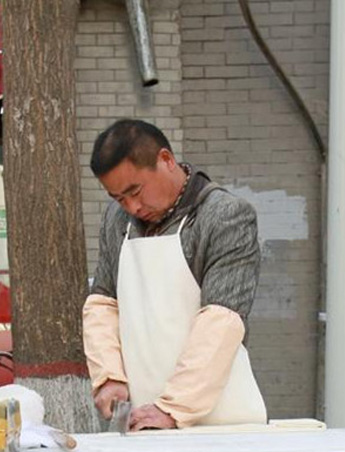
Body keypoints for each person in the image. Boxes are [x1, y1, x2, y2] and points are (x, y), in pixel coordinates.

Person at [83, 119, 267, 431]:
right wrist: (109, 376)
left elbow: (222, 322)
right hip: (145, 418)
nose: (132, 207)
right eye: (119, 198)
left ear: (166, 160)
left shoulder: (225, 216)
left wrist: (174, 407)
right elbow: (102, 302)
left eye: (135, 191)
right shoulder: (117, 220)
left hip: (221, 422)